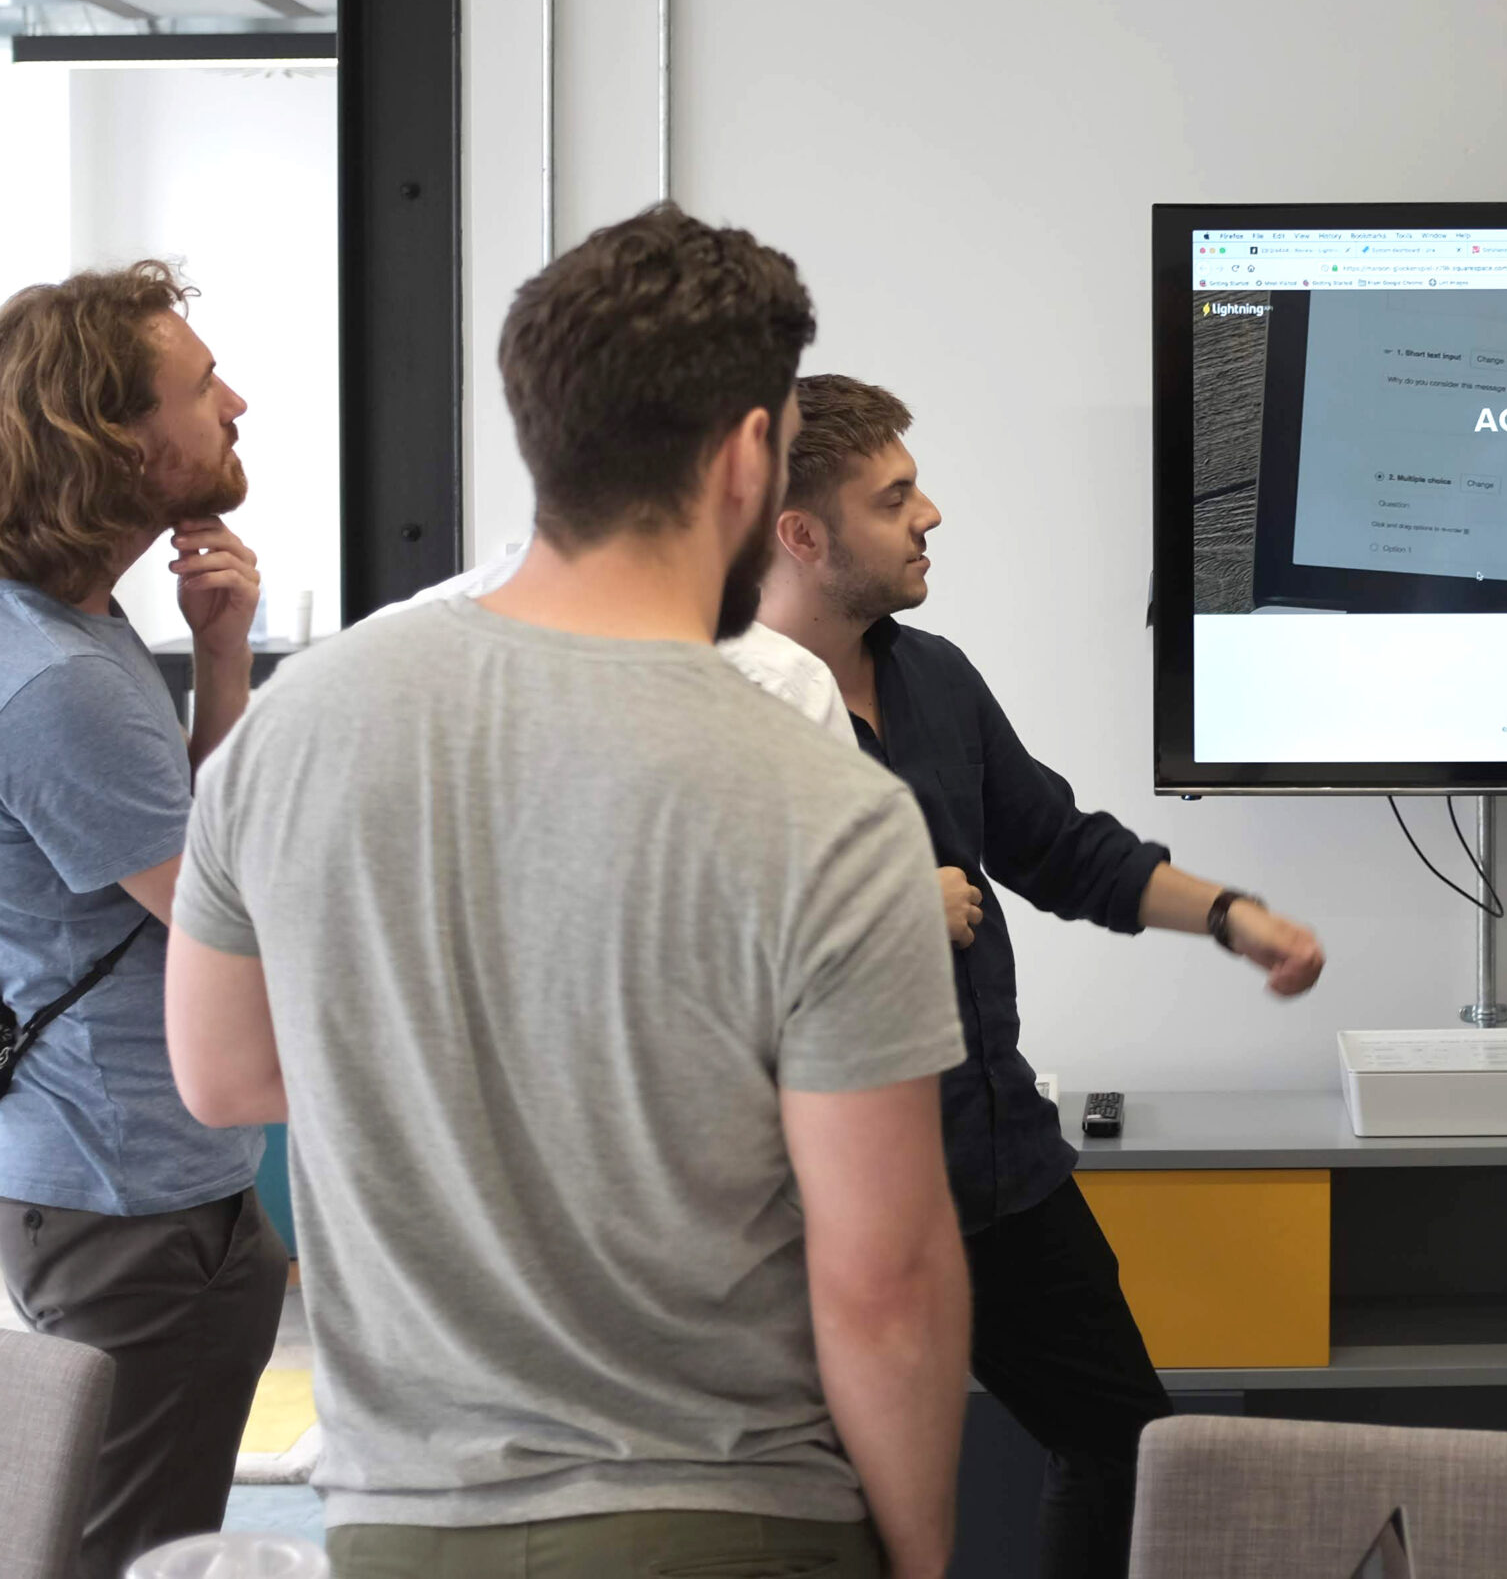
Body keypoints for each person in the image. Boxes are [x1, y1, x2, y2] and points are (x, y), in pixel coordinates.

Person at [161, 206, 974, 1579]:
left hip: (401, 1522)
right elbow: (883, 1280)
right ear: (743, 456)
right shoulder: (828, 805)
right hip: (727, 1521)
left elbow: (225, 1076)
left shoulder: (297, 726)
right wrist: (921, 1551)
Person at [754, 373, 1326, 1579]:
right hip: (816, 1209)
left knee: (1132, 1447)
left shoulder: (934, 676)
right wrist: (889, 905)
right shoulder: (720, 710)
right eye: (893, 496)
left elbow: (1058, 848)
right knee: (826, 1500)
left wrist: (1229, 916)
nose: (932, 515)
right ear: (800, 534)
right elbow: (697, 946)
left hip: (997, 1165)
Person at [0, 264, 284, 1578]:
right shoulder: (57, 675)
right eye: (199, 383)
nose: (235, 400)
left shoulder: (71, 619)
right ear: (113, 440)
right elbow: (228, 915)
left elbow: (190, 863)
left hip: (148, 1179)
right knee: (127, 1558)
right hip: (131, 1206)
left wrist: (220, 656)